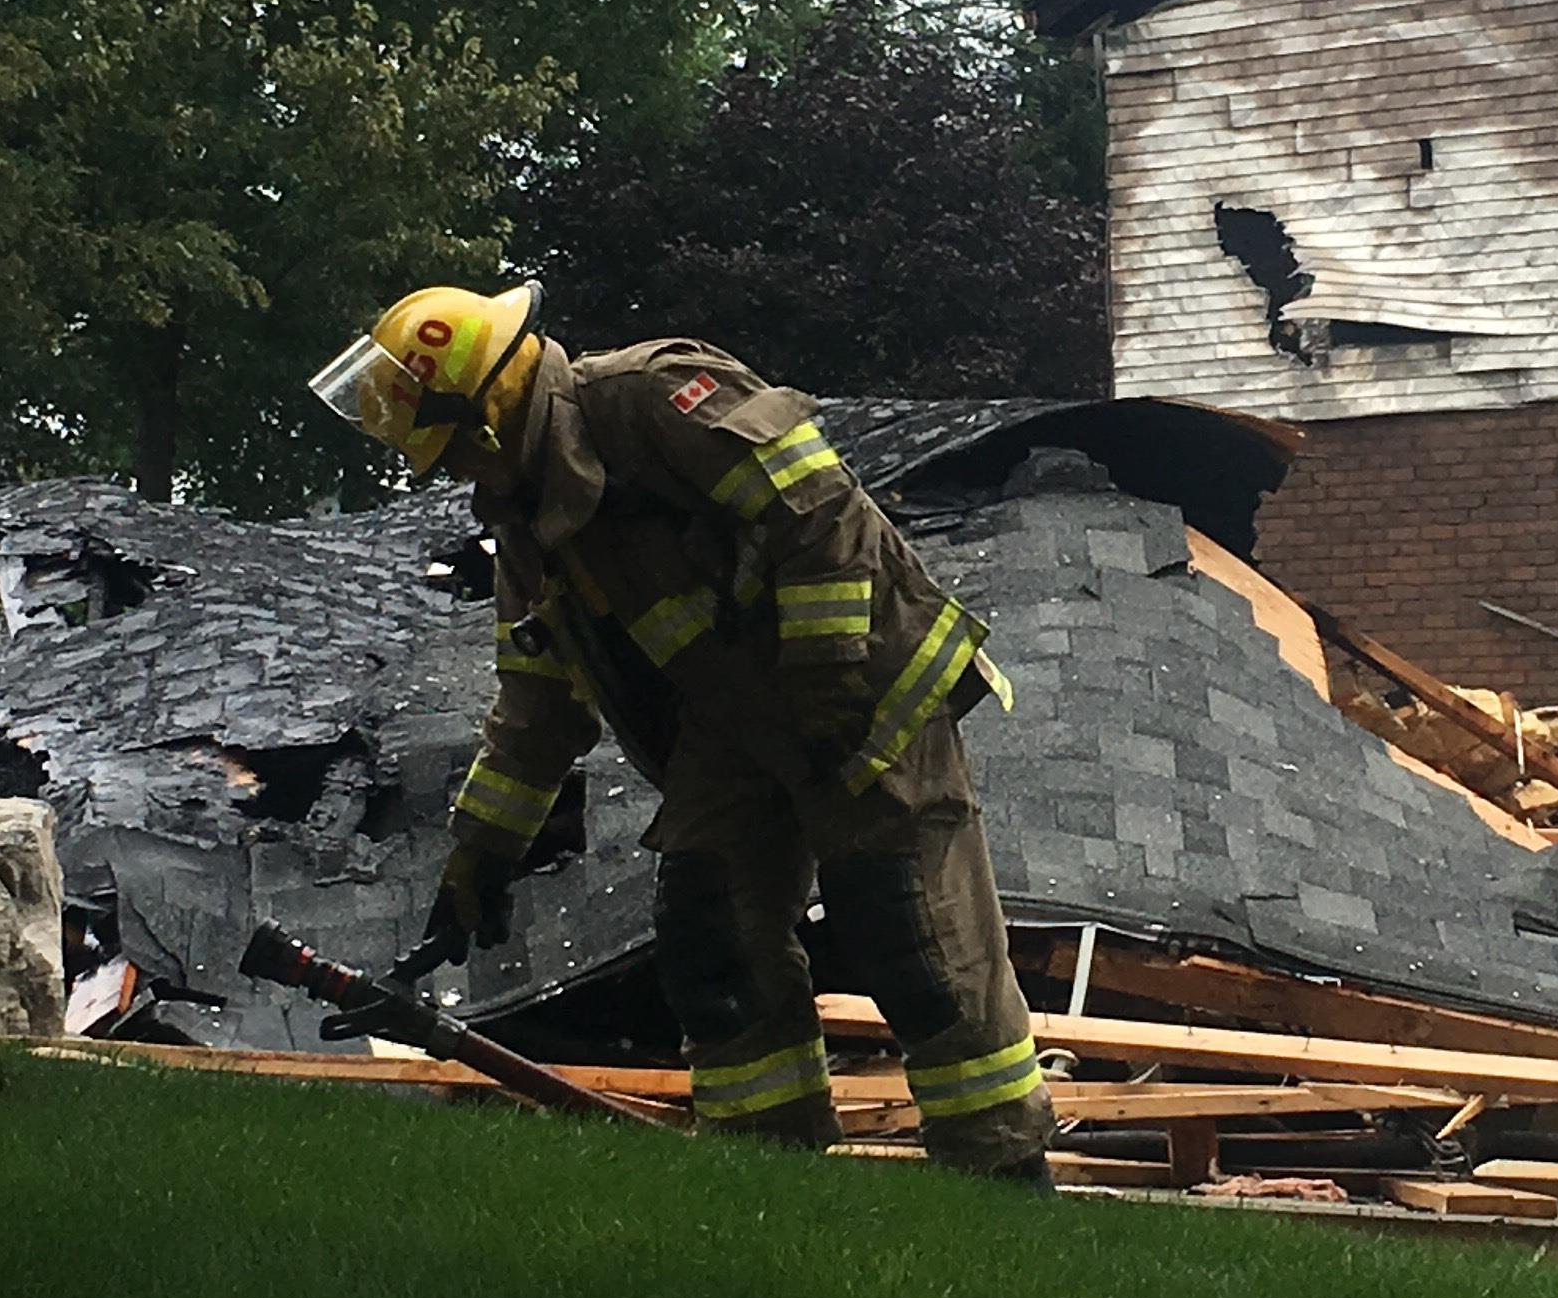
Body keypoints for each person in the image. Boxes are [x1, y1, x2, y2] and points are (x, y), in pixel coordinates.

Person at [310, 283, 1058, 1179]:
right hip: (734, 729)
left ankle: (1001, 1175)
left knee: (911, 937)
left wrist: (826, 701)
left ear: (483, 422)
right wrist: (477, 862)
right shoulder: (529, 523)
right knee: (712, 936)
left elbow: (818, 516)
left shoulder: (655, 396)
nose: (456, 478)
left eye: (450, 455)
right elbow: (537, 707)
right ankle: (769, 1180)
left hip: (864, 696)